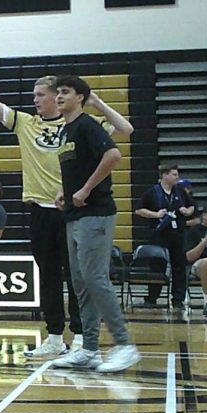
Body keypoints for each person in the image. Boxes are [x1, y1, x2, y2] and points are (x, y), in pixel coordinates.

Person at [0, 56, 133, 360]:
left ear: (58, 97)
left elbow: (123, 129)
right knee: (47, 275)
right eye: (35, 96)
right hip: (41, 210)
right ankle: (55, 337)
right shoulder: (26, 123)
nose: (35, 100)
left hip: (75, 211)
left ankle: (83, 338)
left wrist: (95, 100)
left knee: (79, 278)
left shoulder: (77, 124)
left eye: (40, 95)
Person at [49, 75, 140, 374]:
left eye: (65, 92)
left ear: (80, 97)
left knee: (96, 278)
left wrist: (86, 189)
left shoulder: (88, 124)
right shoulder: (66, 130)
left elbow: (113, 154)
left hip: (95, 214)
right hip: (74, 216)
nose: (59, 96)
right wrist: (66, 191)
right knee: (80, 283)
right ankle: (89, 349)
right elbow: (78, 166)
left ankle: (124, 345)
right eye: (57, 92)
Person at [134, 164, 195, 311]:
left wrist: (187, 211)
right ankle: (152, 297)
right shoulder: (152, 192)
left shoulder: (180, 191)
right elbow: (139, 210)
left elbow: (192, 206)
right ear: (165, 175)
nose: (177, 177)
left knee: (179, 266)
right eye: (174, 174)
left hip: (177, 234)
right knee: (157, 265)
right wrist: (156, 215)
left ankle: (178, 299)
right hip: (160, 234)